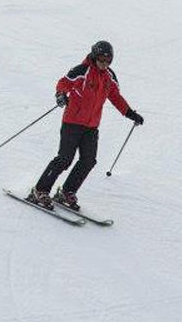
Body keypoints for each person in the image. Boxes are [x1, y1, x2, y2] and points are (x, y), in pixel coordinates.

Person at [26, 41, 143, 211]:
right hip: (72, 123)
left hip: (91, 126)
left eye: (108, 61)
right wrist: (61, 95)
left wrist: (130, 113)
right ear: (94, 57)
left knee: (88, 161)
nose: (104, 64)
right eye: (101, 59)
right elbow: (63, 83)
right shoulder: (81, 70)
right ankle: (40, 190)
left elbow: (116, 97)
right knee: (64, 159)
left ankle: (67, 192)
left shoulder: (109, 76)